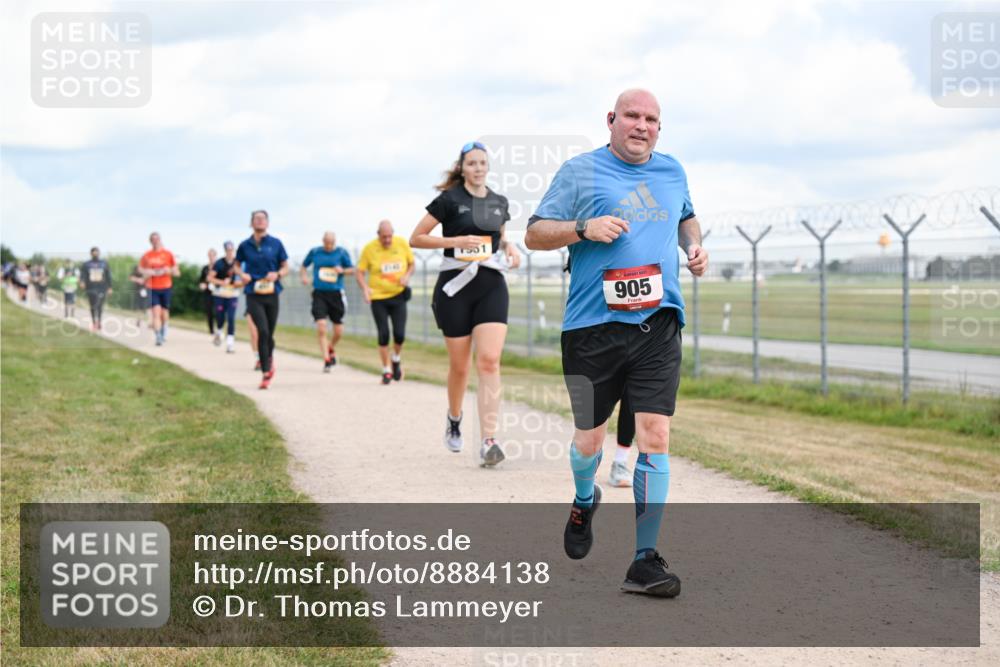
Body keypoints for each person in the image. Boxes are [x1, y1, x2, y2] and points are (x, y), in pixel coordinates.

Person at [525, 89, 708, 597]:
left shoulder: (672, 171)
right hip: (591, 328)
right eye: (632, 115)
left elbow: (686, 214)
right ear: (611, 120)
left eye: (651, 119)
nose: (641, 125)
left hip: (659, 322)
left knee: (655, 435)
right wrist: (585, 227)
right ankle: (585, 499)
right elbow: (534, 234)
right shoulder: (580, 172)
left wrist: (693, 246)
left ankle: (643, 560)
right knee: (590, 440)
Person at [410, 141, 521, 467]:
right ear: (462, 167)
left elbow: (499, 237)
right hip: (455, 287)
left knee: (488, 361)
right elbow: (416, 238)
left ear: (488, 166)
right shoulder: (449, 200)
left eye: (482, 163)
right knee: (460, 366)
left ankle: (489, 440)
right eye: (471, 163)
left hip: (490, 284)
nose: (478, 168)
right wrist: (454, 241)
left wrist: (510, 247)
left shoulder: (499, 201)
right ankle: (455, 417)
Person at [357, 220, 414, 384]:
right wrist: (365, 289)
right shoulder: (369, 248)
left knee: (399, 334)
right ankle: (386, 370)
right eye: (384, 237)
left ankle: (396, 359)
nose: (387, 240)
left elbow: (411, 264)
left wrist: (407, 275)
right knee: (383, 334)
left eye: (390, 236)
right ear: (378, 235)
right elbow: (359, 272)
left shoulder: (402, 243)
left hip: (398, 295)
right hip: (378, 298)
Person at [236, 210, 289, 389]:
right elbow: (236, 265)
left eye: (263, 218)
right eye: (256, 219)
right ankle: (266, 372)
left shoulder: (276, 244)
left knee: (269, 334)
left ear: (267, 223)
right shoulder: (245, 245)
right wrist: (242, 274)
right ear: (251, 223)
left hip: (272, 293)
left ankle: (268, 358)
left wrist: (278, 274)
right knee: (262, 331)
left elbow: (285, 266)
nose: (259, 221)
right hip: (253, 293)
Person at [300, 232, 354, 372]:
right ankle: (327, 360)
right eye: (326, 243)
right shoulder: (315, 252)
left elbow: (352, 269)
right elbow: (303, 266)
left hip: (336, 294)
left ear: (334, 241)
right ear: (323, 241)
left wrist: (342, 270)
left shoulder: (341, 253)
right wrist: (304, 277)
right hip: (319, 293)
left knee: (338, 331)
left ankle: (330, 347)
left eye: (331, 243)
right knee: (322, 326)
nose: (329, 245)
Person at [139, 233, 179, 345]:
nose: (155, 241)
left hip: (166, 286)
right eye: (153, 239)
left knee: (164, 313)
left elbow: (176, 271)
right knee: (156, 312)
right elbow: (140, 269)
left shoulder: (168, 254)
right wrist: (148, 272)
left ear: (160, 240)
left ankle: (164, 330)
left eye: (157, 239)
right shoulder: (147, 255)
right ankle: (158, 337)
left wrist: (168, 270)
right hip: (152, 287)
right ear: (150, 241)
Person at [209, 241, 243, 353]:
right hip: (220, 294)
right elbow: (210, 278)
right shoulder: (219, 263)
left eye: (231, 250)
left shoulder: (238, 263)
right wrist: (222, 282)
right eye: (228, 250)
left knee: (231, 318)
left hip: (233, 294)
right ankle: (219, 331)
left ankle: (230, 344)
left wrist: (236, 283)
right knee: (220, 316)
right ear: (225, 250)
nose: (230, 252)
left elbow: (243, 279)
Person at [80, 247, 113, 331]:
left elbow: (108, 276)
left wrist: (109, 287)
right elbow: (83, 275)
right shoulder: (86, 264)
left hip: (101, 288)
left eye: (97, 252)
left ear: (99, 253)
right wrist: (82, 282)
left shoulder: (104, 263)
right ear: (91, 254)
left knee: (100, 305)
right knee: (93, 305)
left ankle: (99, 322)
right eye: (93, 253)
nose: (95, 254)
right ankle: (94, 321)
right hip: (90, 287)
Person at [198, 249, 218, 341]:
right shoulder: (205, 268)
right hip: (208, 292)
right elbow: (201, 280)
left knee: (217, 311)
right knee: (209, 311)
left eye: (213, 255)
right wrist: (202, 284)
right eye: (209, 255)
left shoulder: (219, 267)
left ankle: (219, 328)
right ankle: (211, 330)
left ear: (215, 256)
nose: (211, 257)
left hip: (218, 292)